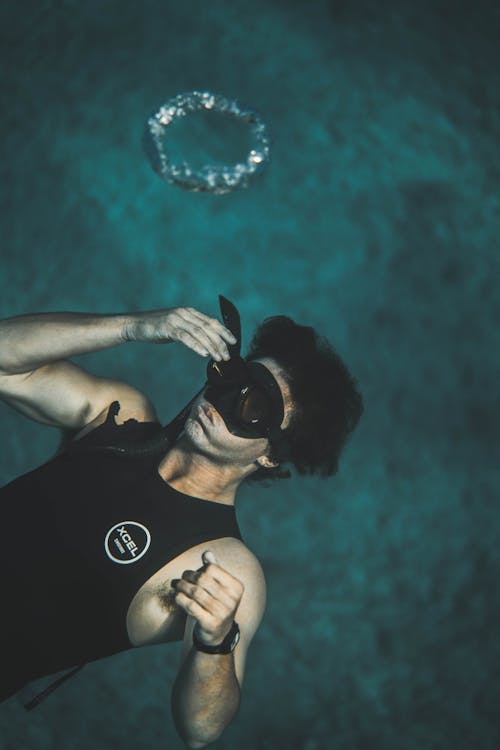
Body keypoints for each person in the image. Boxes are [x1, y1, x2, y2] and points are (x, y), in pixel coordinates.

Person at [0, 300, 363, 748]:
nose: (221, 401)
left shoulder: (222, 563)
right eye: (235, 378)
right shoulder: (117, 416)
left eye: (252, 408)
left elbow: (201, 729)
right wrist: (133, 326)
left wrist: (215, 639)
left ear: (270, 455)